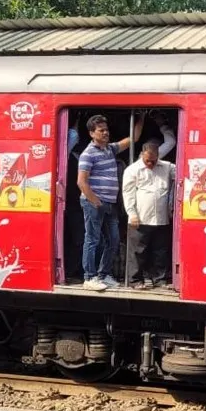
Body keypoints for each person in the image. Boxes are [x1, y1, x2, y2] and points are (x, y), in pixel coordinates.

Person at [77, 115, 141, 291]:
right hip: (94, 204)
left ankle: (103, 275)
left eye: (106, 130)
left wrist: (141, 117)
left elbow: (133, 138)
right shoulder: (88, 154)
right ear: (91, 133)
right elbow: (81, 182)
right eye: (101, 130)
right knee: (92, 240)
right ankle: (89, 278)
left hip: (109, 204)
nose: (105, 133)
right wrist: (96, 202)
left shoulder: (109, 149)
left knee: (113, 240)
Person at [122, 139, 176, 289]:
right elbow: (128, 194)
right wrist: (132, 214)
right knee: (138, 251)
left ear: (158, 156)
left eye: (153, 161)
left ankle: (160, 279)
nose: (150, 164)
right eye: (147, 161)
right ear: (141, 156)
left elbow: (183, 171)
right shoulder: (132, 170)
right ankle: (135, 280)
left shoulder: (167, 167)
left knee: (160, 250)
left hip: (161, 217)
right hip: (140, 217)